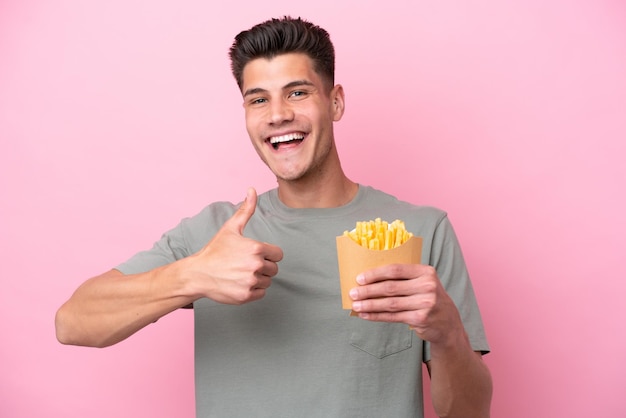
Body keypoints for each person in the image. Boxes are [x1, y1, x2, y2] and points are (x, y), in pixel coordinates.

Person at [56, 16, 492, 418]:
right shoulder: (214, 234)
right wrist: (194, 276)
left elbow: (469, 414)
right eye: (258, 99)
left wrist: (449, 332)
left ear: (335, 102)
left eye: (298, 92)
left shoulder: (421, 230)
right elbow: (72, 323)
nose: (278, 114)